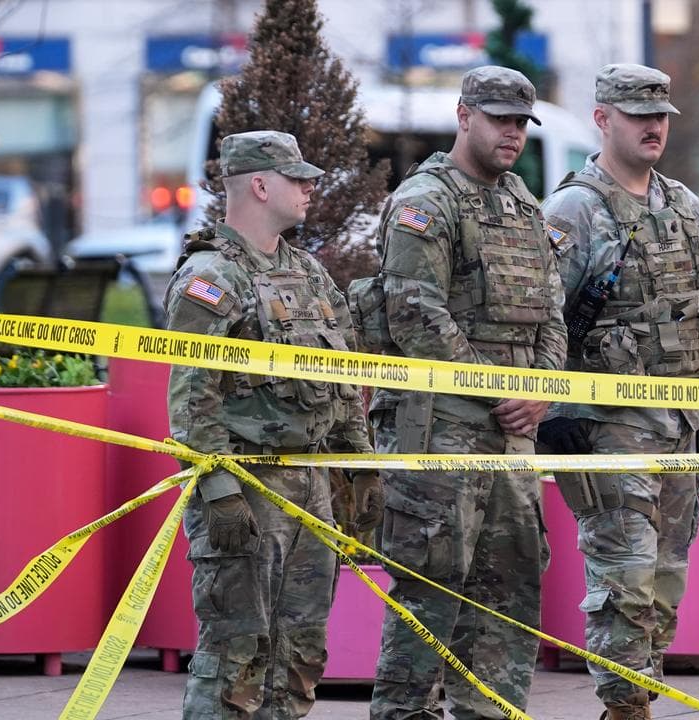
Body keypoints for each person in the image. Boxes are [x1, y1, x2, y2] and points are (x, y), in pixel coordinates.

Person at [363, 65, 567, 719]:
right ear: (464, 116)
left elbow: (552, 315)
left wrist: (541, 389)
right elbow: (416, 315)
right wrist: (497, 389)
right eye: (500, 119)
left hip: (512, 436)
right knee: (432, 587)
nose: (512, 134)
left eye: (520, 123)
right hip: (440, 430)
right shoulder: (427, 201)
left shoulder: (524, 205)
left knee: (510, 585)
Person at [537, 63, 699, 720]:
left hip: (678, 425)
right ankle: (625, 708)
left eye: (660, 116)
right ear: (603, 119)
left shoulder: (684, 206)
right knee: (624, 579)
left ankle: (637, 692)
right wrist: (556, 411)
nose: (654, 127)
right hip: (607, 425)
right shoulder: (573, 209)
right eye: (637, 115)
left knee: (665, 582)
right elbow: (540, 319)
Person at [165, 130, 377, 719]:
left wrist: (358, 468)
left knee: (300, 653)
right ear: (260, 185)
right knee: (237, 659)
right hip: (246, 488)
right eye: (297, 178)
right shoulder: (211, 277)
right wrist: (218, 490)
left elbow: (341, 375)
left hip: (311, 489)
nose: (312, 187)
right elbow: (191, 395)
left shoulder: (307, 273)